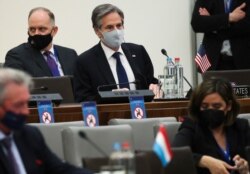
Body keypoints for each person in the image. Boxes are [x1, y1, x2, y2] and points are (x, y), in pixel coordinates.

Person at [0, 68, 92, 174]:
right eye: (18, 105)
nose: (26, 112)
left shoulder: (30, 135)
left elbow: (61, 169)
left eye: (26, 104)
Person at [73, 3, 160, 102]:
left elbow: (151, 82)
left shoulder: (138, 52)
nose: (116, 31)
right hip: (108, 116)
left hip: (142, 114)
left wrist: (156, 87)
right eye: (110, 27)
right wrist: (110, 96)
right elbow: (82, 98)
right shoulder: (85, 61)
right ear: (97, 31)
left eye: (119, 25)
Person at [172, 77, 250, 174]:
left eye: (216, 106)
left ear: (229, 105)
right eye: (204, 106)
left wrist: (245, 168)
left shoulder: (241, 126)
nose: (210, 110)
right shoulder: (191, 125)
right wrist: (204, 161)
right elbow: (175, 153)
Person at [4, 7, 78, 77]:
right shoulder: (17, 56)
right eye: (32, 29)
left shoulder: (70, 55)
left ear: (54, 31)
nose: (36, 33)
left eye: (42, 29)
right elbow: (13, 88)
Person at [191, 0, 250, 70]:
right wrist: (229, 17)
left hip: (243, 60)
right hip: (212, 60)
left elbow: (245, 26)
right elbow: (196, 23)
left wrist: (212, 22)